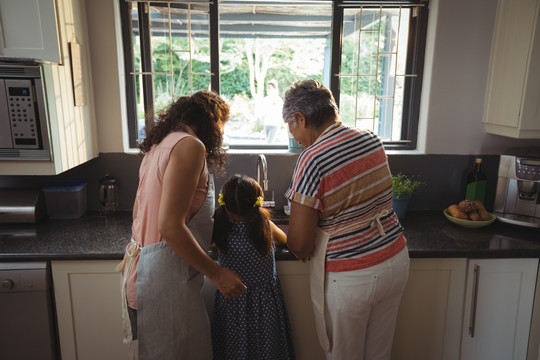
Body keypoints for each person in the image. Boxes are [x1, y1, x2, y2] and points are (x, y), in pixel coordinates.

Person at [282, 79, 409, 360]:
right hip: (395, 260)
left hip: (353, 276)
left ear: (300, 118)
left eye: (290, 126)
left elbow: (301, 245)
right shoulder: (370, 138)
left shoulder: (312, 158)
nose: (293, 136)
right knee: (379, 355)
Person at [117, 91, 247, 360]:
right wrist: (217, 274)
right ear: (212, 122)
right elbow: (170, 226)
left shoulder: (158, 145)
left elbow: (139, 212)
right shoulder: (191, 146)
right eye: (222, 124)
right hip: (163, 280)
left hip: (143, 274)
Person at [211, 174, 296, 360]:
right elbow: (287, 242)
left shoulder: (219, 229)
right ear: (258, 203)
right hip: (265, 307)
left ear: (224, 205)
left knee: (232, 352)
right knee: (268, 351)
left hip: (231, 305)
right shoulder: (265, 226)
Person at [260, 79, 284, 144]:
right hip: (266, 123)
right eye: (267, 88)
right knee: (267, 142)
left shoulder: (278, 100)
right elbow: (263, 111)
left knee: (269, 142)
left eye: (270, 88)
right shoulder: (266, 99)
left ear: (274, 89)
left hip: (275, 124)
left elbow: (280, 112)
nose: (268, 89)